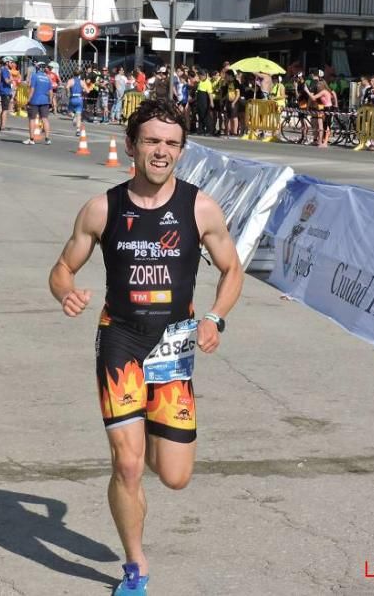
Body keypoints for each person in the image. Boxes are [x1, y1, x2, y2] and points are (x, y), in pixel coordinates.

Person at [48, 98, 243, 596]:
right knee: (128, 464)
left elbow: (231, 269)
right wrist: (67, 293)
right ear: (132, 145)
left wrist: (216, 317)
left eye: (172, 144)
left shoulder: (200, 207)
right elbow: (62, 268)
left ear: (183, 149)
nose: (162, 152)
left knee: (174, 476)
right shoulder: (102, 208)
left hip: (174, 348)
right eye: (152, 142)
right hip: (121, 341)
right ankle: (135, 567)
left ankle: (157, 435)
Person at [25, 63, 54, 145]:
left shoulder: (34, 76)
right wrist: (50, 101)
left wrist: (28, 100)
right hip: (45, 100)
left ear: (37, 68)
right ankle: (47, 138)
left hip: (35, 100)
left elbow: (32, 89)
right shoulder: (48, 78)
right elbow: (51, 91)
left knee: (32, 119)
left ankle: (31, 139)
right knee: (45, 119)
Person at [0, 57, 15, 132]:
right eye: (11, 62)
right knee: (5, 110)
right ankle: (3, 126)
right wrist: (13, 79)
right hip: (5, 91)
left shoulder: (6, 70)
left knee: (5, 109)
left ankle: (2, 126)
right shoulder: (4, 70)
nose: (12, 64)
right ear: (7, 62)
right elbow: (7, 81)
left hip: (6, 91)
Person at [67, 67, 85, 136]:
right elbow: (87, 90)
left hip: (73, 98)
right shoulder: (82, 81)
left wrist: (68, 92)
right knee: (79, 115)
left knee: (69, 112)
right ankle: (78, 130)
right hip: (79, 99)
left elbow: (67, 87)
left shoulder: (70, 80)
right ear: (79, 74)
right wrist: (83, 90)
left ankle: (73, 115)